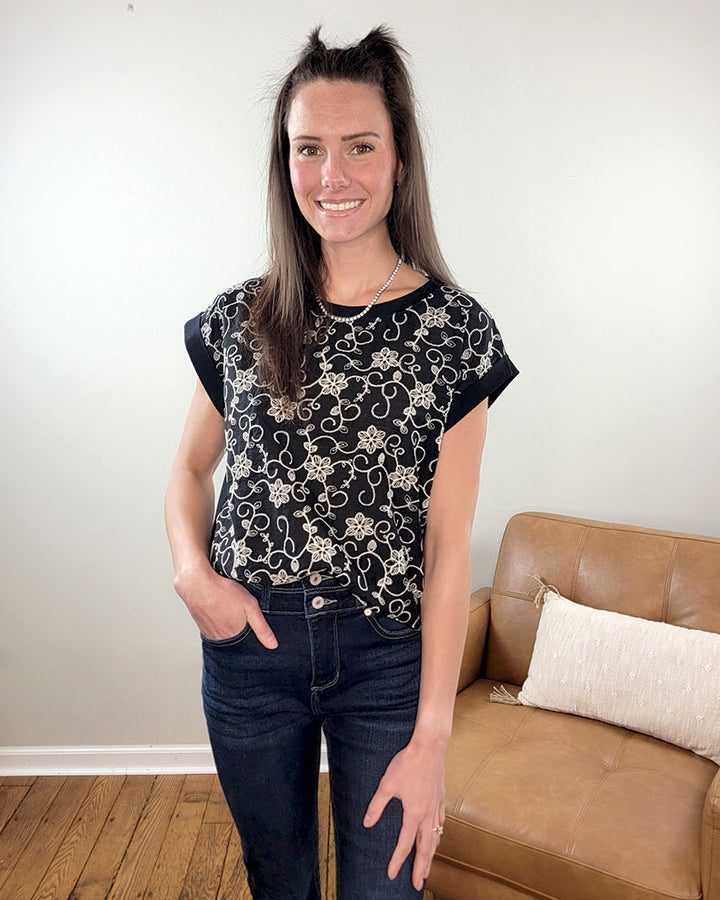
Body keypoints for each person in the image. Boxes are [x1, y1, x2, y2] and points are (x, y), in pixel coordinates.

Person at [164, 23, 519, 900]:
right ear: (285, 164)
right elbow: (188, 471)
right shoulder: (243, 318)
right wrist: (192, 573)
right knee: (278, 881)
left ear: (399, 160)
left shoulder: (455, 332)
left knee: (388, 887)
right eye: (308, 149)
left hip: (385, 657)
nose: (333, 175)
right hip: (251, 647)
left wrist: (433, 735)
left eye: (360, 146)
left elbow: (448, 547)